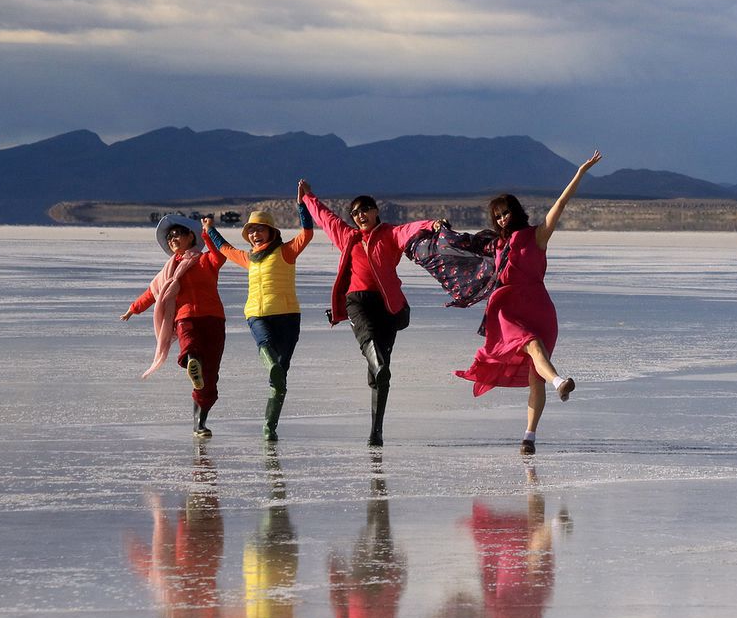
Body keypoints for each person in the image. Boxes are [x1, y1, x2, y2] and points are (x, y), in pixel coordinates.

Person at [455, 151, 601, 455]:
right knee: (532, 345)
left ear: (516, 212)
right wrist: (438, 229)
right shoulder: (495, 244)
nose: (502, 219)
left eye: (505, 213)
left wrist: (580, 173)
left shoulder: (537, 236)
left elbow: (561, 204)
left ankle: (529, 437)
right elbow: (462, 245)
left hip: (539, 307)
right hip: (508, 309)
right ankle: (560, 382)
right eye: (497, 216)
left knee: (536, 376)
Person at [297, 180, 442, 446]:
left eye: (364, 209)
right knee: (369, 340)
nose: (360, 215)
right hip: (357, 300)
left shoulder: (390, 234)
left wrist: (431, 224)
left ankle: (376, 430)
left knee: (379, 374)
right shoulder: (348, 236)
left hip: (387, 304)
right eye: (355, 213)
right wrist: (308, 198)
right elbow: (326, 218)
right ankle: (379, 366)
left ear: (375, 211)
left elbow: (410, 230)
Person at [201, 191, 314, 441]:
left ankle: (269, 427)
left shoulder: (286, 251)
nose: (255, 234)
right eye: (251, 231)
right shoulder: (249, 258)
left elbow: (307, 233)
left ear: (271, 232)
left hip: (287, 315)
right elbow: (225, 249)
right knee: (265, 346)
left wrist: (301, 204)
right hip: (256, 314)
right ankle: (271, 365)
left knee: (280, 379)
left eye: (260, 229)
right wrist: (209, 229)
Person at [121, 214, 227, 437]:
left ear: (191, 237)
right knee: (190, 345)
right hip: (185, 318)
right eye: (169, 238)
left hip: (214, 320)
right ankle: (192, 361)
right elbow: (152, 293)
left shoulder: (205, 261)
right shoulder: (169, 271)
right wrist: (134, 308)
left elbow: (220, 254)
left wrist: (208, 232)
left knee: (209, 379)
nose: (172, 239)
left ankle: (199, 423)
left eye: (177, 234)